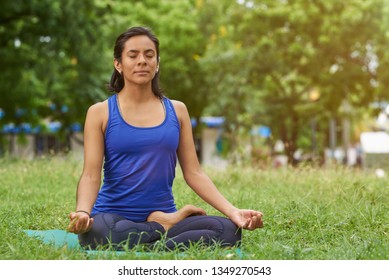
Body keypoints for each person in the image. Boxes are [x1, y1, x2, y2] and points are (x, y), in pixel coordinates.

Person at [67, 26, 263, 251]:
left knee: (228, 231)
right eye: (133, 55)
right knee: (98, 234)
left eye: (149, 55)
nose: (142, 61)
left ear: (157, 63)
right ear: (118, 64)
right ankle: (161, 231)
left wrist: (233, 211)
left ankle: (158, 232)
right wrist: (83, 212)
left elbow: (194, 173)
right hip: (113, 217)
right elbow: (91, 175)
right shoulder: (100, 112)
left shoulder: (177, 111)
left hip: (166, 213)